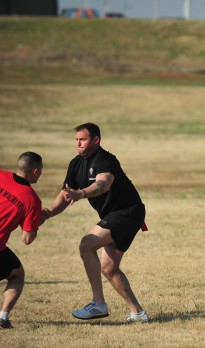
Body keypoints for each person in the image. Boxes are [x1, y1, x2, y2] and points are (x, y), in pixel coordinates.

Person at [42, 123, 149, 322]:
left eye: (82, 139)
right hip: (117, 215)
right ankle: (138, 313)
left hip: (128, 212)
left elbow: (103, 184)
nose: (78, 143)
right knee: (109, 268)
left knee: (86, 244)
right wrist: (48, 213)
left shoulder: (106, 160)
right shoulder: (76, 164)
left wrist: (81, 193)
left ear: (96, 140)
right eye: (76, 140)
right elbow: (66, 194)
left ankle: (98, 304)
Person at [0, 152, 44, 329]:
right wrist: (37, 221)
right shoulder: (32, 200)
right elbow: (27, 238)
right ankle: (3, 317)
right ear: (34, 171)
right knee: (17, 274)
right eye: (41, 170)